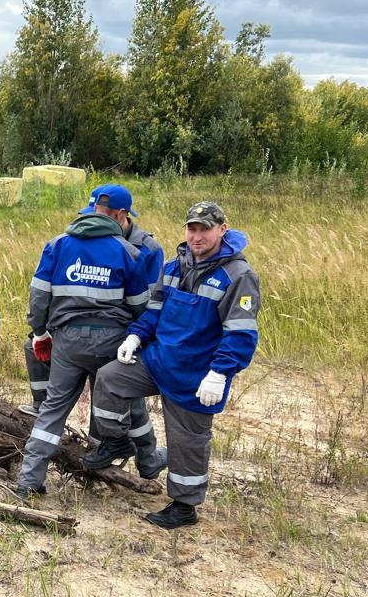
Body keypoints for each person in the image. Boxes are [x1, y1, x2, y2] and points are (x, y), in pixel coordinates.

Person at [84, 201, 261, 529]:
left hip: (196, 375)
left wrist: (220, 373)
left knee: (187, 443)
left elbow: (240, 333)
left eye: (205, 229)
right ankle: (117, 440)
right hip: (158, 361)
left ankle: (184, 506)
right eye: (192, 229)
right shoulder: (174, 266)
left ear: (222, 230)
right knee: (109, 378)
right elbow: (154, 311)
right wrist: (135, 337)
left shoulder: (239, 276)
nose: (197, 236)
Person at [15, 184, 155, 500]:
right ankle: (105, 462)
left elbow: (38, 296)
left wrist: (40, 331)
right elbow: (141, 306)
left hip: (67, 342)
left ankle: (28, 481)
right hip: (112, 343)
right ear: (119, 215)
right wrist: (137, 338)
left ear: (92, 210)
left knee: (52, 411)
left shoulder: (57, 245)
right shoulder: (129, 252)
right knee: (115, 402)